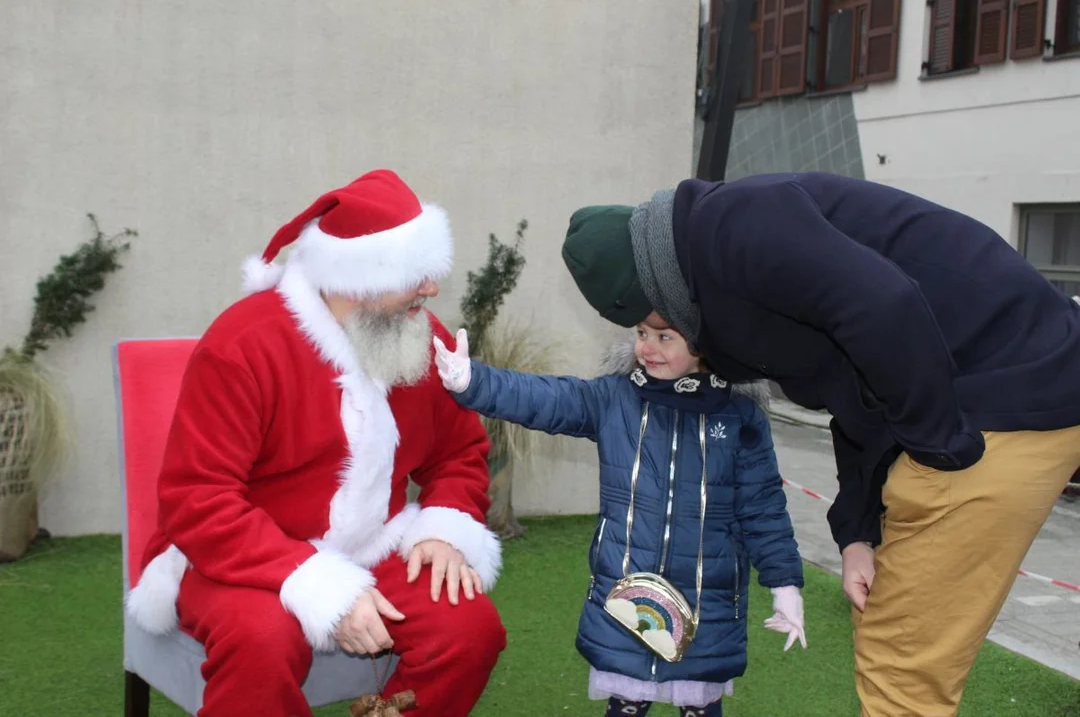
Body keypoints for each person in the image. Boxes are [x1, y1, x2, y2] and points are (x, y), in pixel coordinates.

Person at [557, 172, 1080, 716]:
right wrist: (858, 532)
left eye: (653, 323)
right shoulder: (727, 245)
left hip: (1000, 401)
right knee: (887, 631)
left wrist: (936, 445)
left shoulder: (735, 228)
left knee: (902, 667)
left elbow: (885, 306)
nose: (652, 342)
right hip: (993, 391)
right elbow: (858, 385)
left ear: (661, 284)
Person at [124, 170, 506, 717]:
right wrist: (318, 583)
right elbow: (197, 501)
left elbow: (460, 452)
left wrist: (445, 527)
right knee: (262, 638)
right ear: (358, 277)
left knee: (468, 629)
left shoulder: (423, 336)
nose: (432, 289)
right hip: (241, 558)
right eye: (415, 274)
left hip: (376, 543)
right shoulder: (242, 345)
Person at [431, 314, 807, 717]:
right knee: (626, 701)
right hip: (627, 593)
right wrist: (473, 380)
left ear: (704, 345)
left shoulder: (739, 418)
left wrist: (785, 586)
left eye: (665, 337)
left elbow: (763, 508)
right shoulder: (616, 399)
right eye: (643, 334)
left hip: (706, 602)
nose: (647, 346)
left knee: (700, 703)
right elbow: (547, 398)